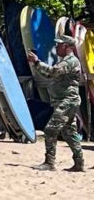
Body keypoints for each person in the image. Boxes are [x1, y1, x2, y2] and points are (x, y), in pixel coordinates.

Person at [27, 35, 85, 172]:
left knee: (50, 130)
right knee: (69, 133)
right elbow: (49, 75)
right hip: (64, 101)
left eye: (59, 45)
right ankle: (79, 163)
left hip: (67, 101)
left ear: (67, 47)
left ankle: (49, 162)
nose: (56, 47)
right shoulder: (65, 61)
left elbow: (54, 71)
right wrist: (36, 64)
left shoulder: (70, 61)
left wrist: (36, 62)